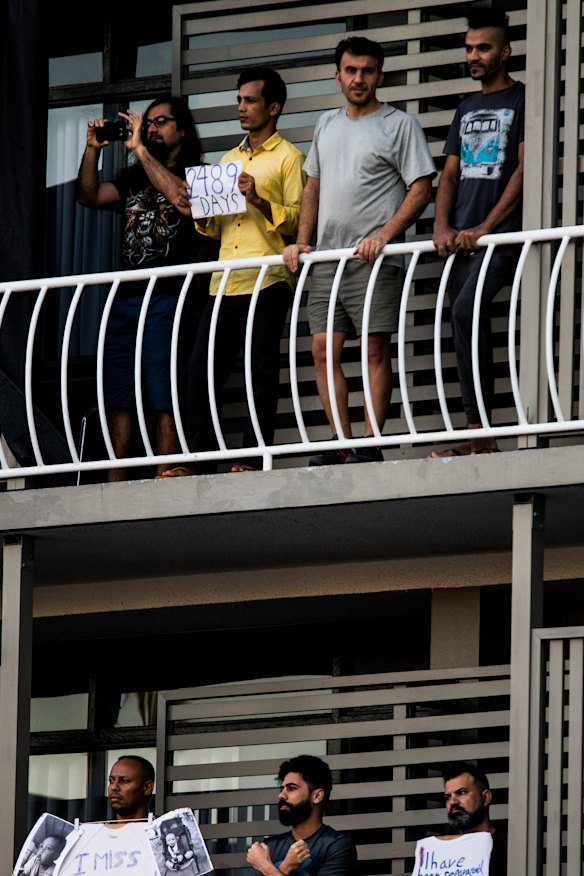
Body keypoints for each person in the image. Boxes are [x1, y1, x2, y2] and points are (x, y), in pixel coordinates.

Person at [283, 36, 435, 466]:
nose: (359, 78)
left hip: (373, 260)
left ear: (380, 76)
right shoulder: (326, 124)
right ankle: (339, 443)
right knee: (321, 350)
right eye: (351, 70)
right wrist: (302, 240)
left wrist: (384, 235)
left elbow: (421, 187)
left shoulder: (398, 124)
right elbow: (312, 185)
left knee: (374, 349)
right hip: (328, 260)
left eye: (367, 71)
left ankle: (370, 442)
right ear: (338, 76)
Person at [161, 66, 305, 477]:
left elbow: (298, 224)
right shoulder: (227, 160)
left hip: (268, 278)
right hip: (224, 280)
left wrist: (258, 199)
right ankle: (199, 460)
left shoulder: (290, 158)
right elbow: (213, 226)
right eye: (239, 100)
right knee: (199, 369)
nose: (241, 108)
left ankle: (251, 459)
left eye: (250, 100)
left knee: (260, 367)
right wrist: (196, 210)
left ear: (273, 107)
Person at [76, 96, 214, 482]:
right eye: (147, 123)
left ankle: (164, 471)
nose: (151, 129)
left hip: (169, 296)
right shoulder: (132, 177)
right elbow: (88, 195)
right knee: (119, 388)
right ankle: (117, 476)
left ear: (182, 130)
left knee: (162, 386)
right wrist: (91, 151)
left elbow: (181, 200)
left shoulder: (200, 175)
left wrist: (139, 149)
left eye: (161, 122)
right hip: (126, 296)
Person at [429, 9, 524, 458]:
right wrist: (442, 224)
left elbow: (524, 168)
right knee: (462, 324)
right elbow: (448, 175)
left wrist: (487, 226)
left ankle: (481, 432)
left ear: (505, 52)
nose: (474, 56)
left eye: (483, 47)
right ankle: (477, 432)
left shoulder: (522, 100)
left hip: (500, 237)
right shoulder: (465, 108)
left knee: (466, 314)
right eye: (469, 48)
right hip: (462, 244)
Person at [246, 754, 358, 876]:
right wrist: (285, 868)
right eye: (282, 788)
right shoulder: (269, 848)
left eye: (292, 788)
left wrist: (265, 866)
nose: (281, 795)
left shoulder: (336, 846)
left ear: (317, 796)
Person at [411, 761, 507, 876]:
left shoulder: (508, 848)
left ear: (486, 798)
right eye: (448, 797)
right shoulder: (433, 855)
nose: (453, 802)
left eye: (462, 792)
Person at [107, 753, 155, 821]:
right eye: (111, 781)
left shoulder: (162, 829)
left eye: (124, 781)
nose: (114, 787)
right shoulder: (94, 830)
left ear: (147, 788)